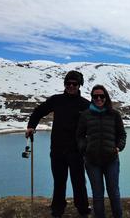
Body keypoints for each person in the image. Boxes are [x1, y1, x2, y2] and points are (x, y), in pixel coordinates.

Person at [25, 70, 91, 217]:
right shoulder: (56, 100)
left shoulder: (85, 104)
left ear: (80, 85)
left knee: (79, 181)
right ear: (65, 84)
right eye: (68, 83)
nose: (71, 86)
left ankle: (83, 208)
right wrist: (31, 126)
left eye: (74, 84)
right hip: (57, 149)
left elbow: (96, 123)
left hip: (76, 150)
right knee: (59, 182)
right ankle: (58, 209)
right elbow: (39, 111)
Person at [76, 84, 127, 218]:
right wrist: (84, 148)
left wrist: (118, 147)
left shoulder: (114, 114)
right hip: (92, 161)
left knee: (114, 193)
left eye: (102, 96)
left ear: (106, 97)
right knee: (98, 195)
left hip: (111, 160)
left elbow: (122, 134)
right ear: (92, 98)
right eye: (95, 96)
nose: (99, 98)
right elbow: (79, 135)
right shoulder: (86, 115)